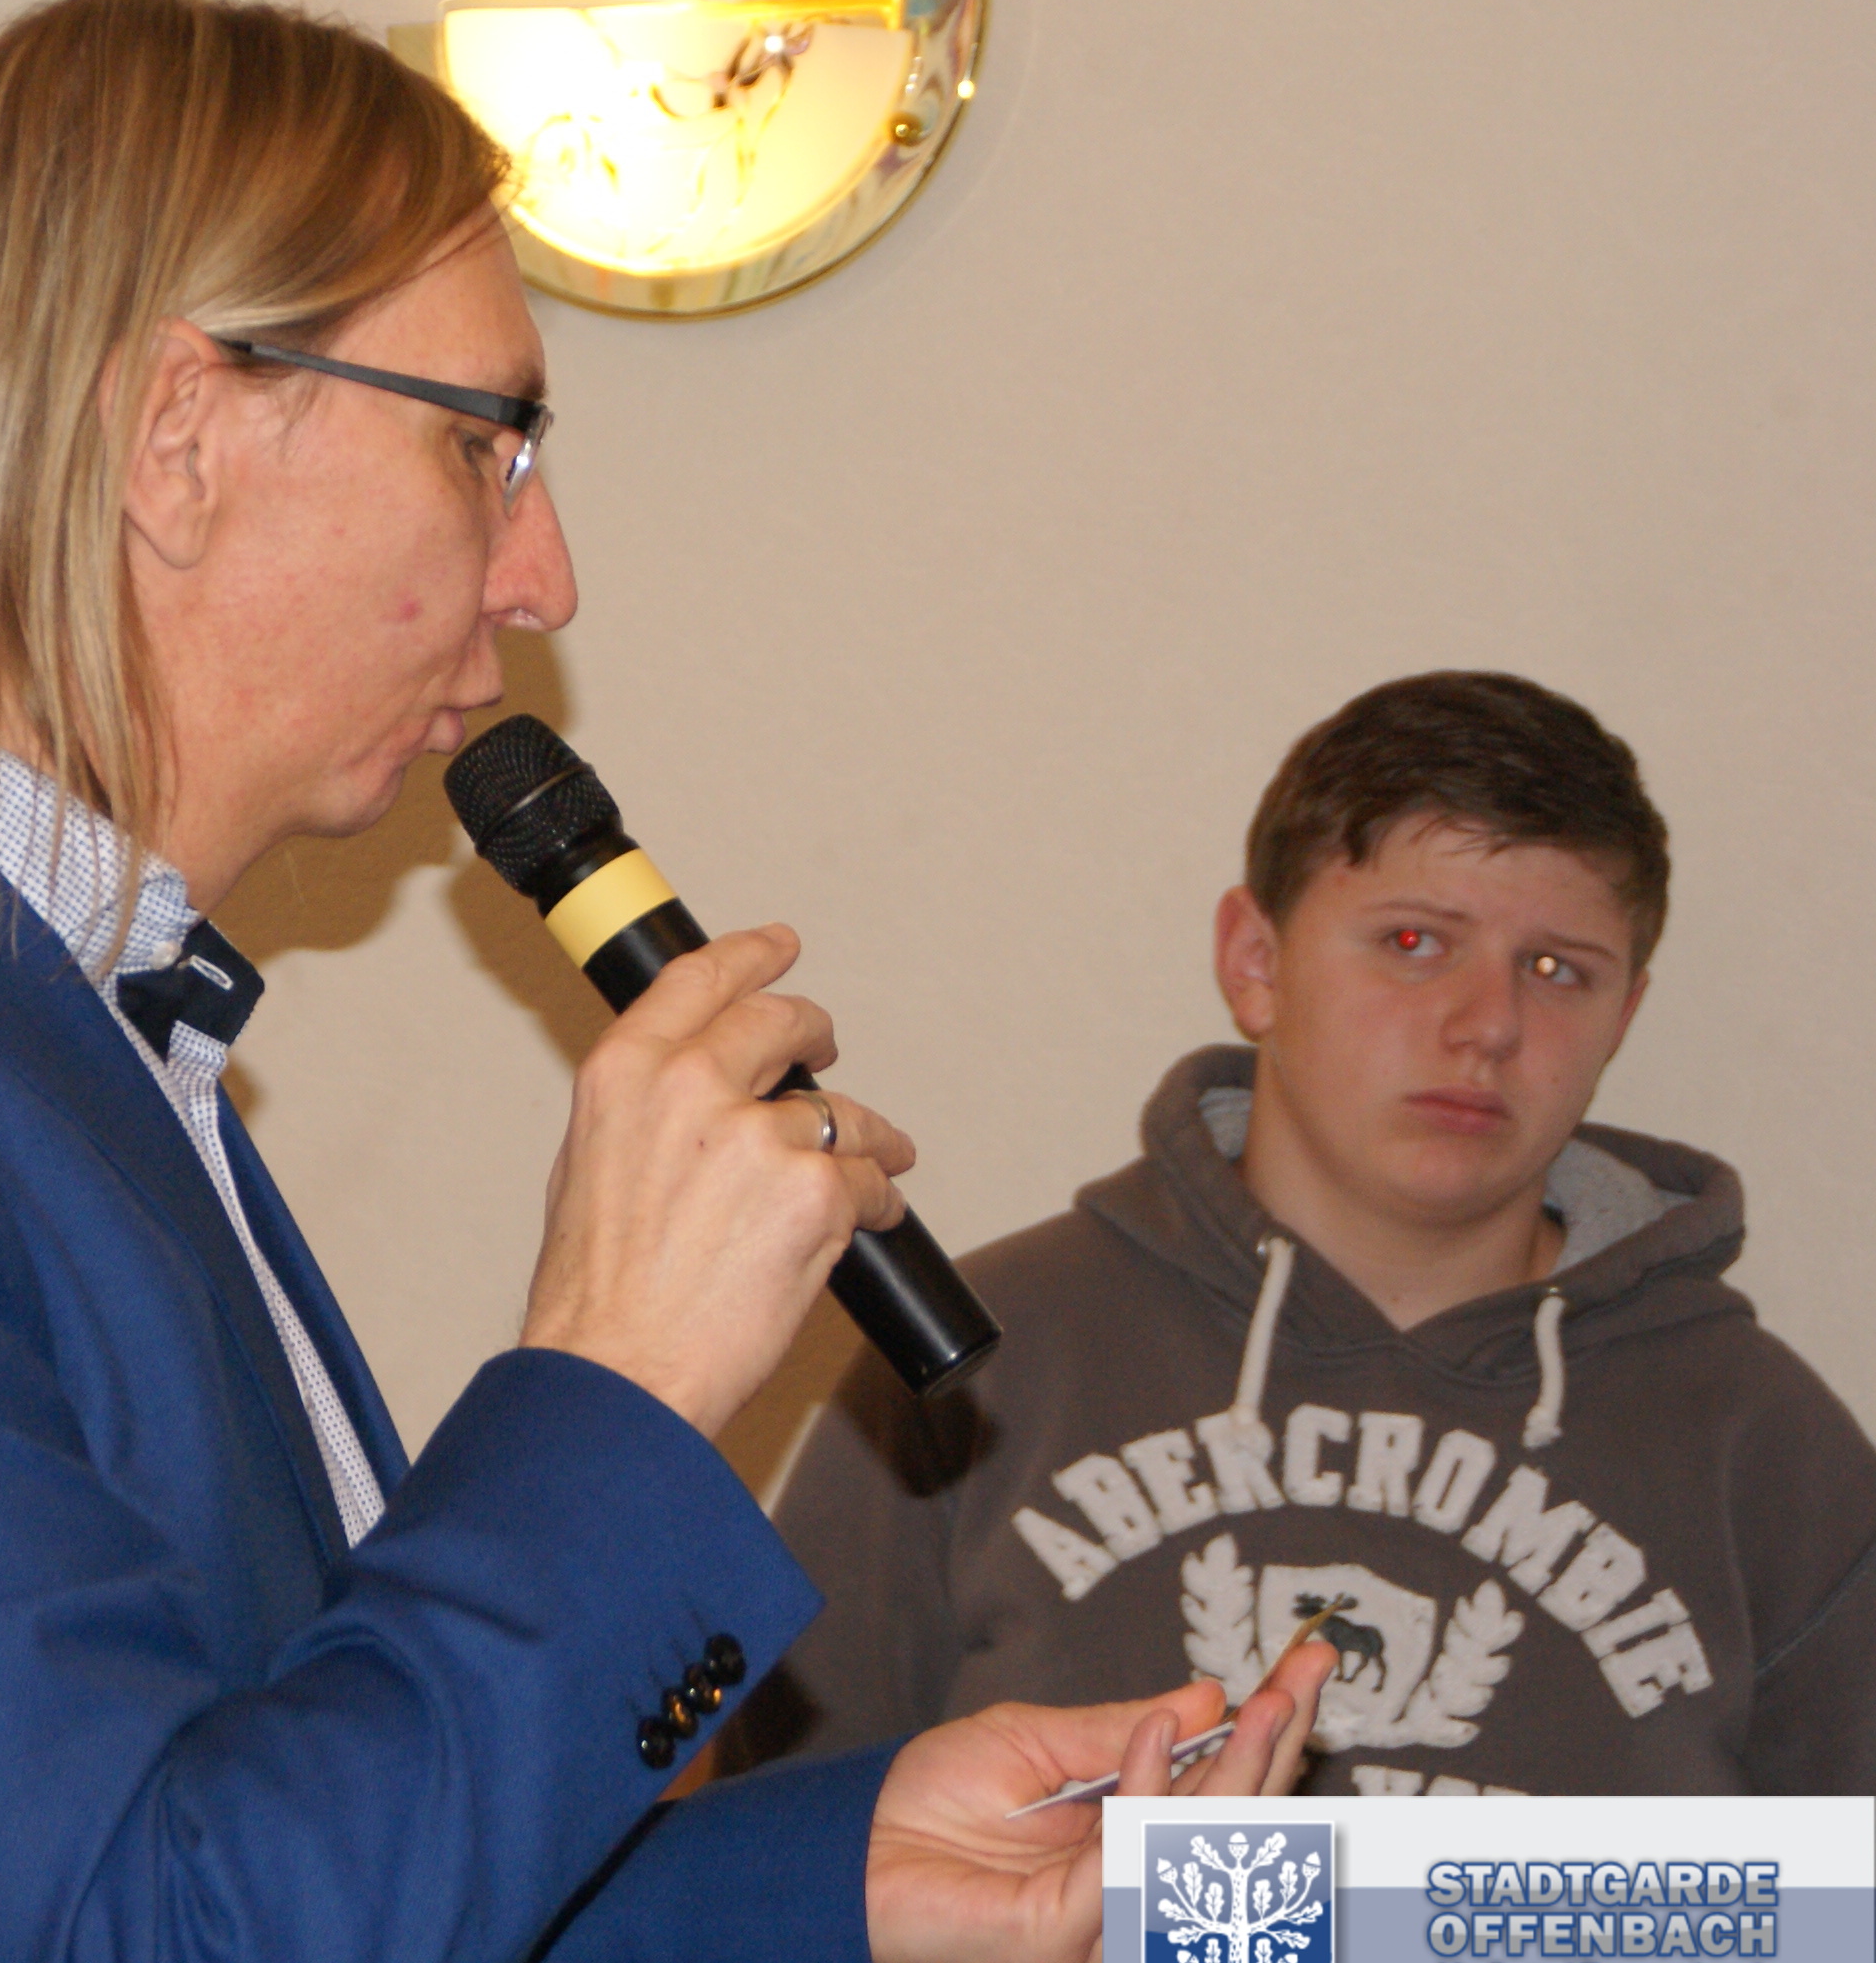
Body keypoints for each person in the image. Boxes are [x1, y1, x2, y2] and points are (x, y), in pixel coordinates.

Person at [0, 0, 1326, 1963]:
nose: (542, 572)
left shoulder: (32, 1025)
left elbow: (287, 1898)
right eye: (486, 443)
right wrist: (617, 1376)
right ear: (180, 436)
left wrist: (853, 1897)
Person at [742, 671, 1876, 1810]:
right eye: (1412, 941)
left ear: (1621, 1015)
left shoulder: (1765, 1448)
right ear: (1256, 962)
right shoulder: (977, 1360)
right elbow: (760, 1871)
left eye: (1555, 970)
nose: (1487, 1025)